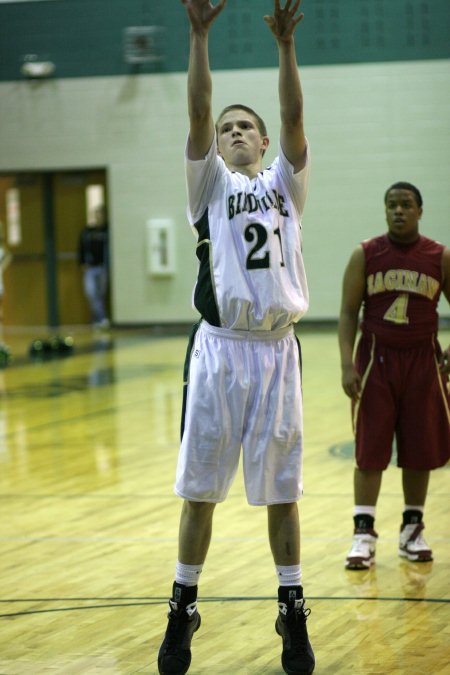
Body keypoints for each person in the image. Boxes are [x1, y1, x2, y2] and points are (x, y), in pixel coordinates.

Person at [157, 1, 315, 674]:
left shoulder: (284, 184)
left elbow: (295, 121)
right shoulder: (209, 186)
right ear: (216, 146)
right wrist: (198, 34)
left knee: (283, 491)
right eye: (228, 128)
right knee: (200, 491)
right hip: (221, 350)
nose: (236, 132)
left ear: (261, 141)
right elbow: (196, 111)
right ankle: (182, 602)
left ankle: (292, 606)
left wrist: (285, 49)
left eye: (245, 126)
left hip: (277, 351)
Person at [338, 181, 450, 571]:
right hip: (376, 361)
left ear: (420, 210)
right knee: (370, 450)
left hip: (423, 362)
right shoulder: (366, 253)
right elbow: (348, 312)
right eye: (392, 205)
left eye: (406, 205)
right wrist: (345, 363)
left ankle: (412, 528)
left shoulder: (439, 256)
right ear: (384, 211)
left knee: (420, 449)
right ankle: (363, 533)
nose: (398, 211)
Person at [78, 204, 110, 329]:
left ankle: (97, 319)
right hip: (90, 268)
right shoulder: (87, 232)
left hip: (103, 266)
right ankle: (101, 318)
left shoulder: (107, 231)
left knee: (101, 294)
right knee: (91, 293)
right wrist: (82, 262)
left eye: (101, 214)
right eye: (97, 214)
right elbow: (81, 248)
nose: (98, 217)